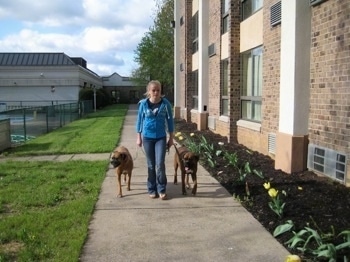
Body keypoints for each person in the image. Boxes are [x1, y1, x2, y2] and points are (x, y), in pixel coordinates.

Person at [136, 80, 174, 200]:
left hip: (161, 138)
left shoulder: (165, 103)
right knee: (151, 165)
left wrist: (171, 138)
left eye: (158, 90)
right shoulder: (143, 104)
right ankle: (152, 188)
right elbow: (139, 121)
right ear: (149, 91)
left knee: (160, 164)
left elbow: (170, 121)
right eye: (153, 90)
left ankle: (161, 189)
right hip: (147, 138)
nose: (156, 92)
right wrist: (139, 137)